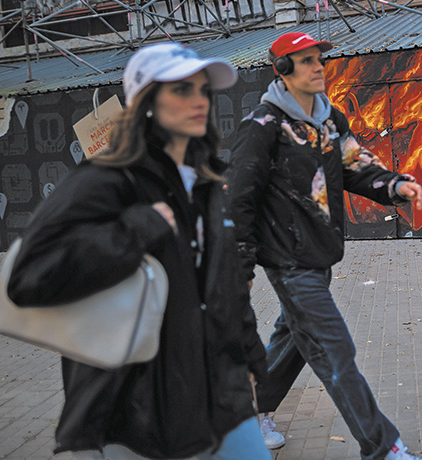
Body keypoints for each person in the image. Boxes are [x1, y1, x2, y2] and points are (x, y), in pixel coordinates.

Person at [6, 43, 273, 460]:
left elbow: (224, 283)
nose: (199, 101)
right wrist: (134, 231)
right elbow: (28, 277)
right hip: (137, 409)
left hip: (221, 393)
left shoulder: (207, 181)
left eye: (203, 90)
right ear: (146, 103)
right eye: (181, 90)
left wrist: (253, 359)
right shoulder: (106, 179)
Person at [227, 31, 422, 460]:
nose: (319, 67)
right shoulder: (263, 127)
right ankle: (382, 447)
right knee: (335, 350)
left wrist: (395, 184)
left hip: (319, 254)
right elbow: (238, 200)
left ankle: (248, 415)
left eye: (320, 59)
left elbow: (355, 166)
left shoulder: (330, 119)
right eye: (306, 61)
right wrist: (240, 269)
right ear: (281, 70)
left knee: (295, 337)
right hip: (288, 261)